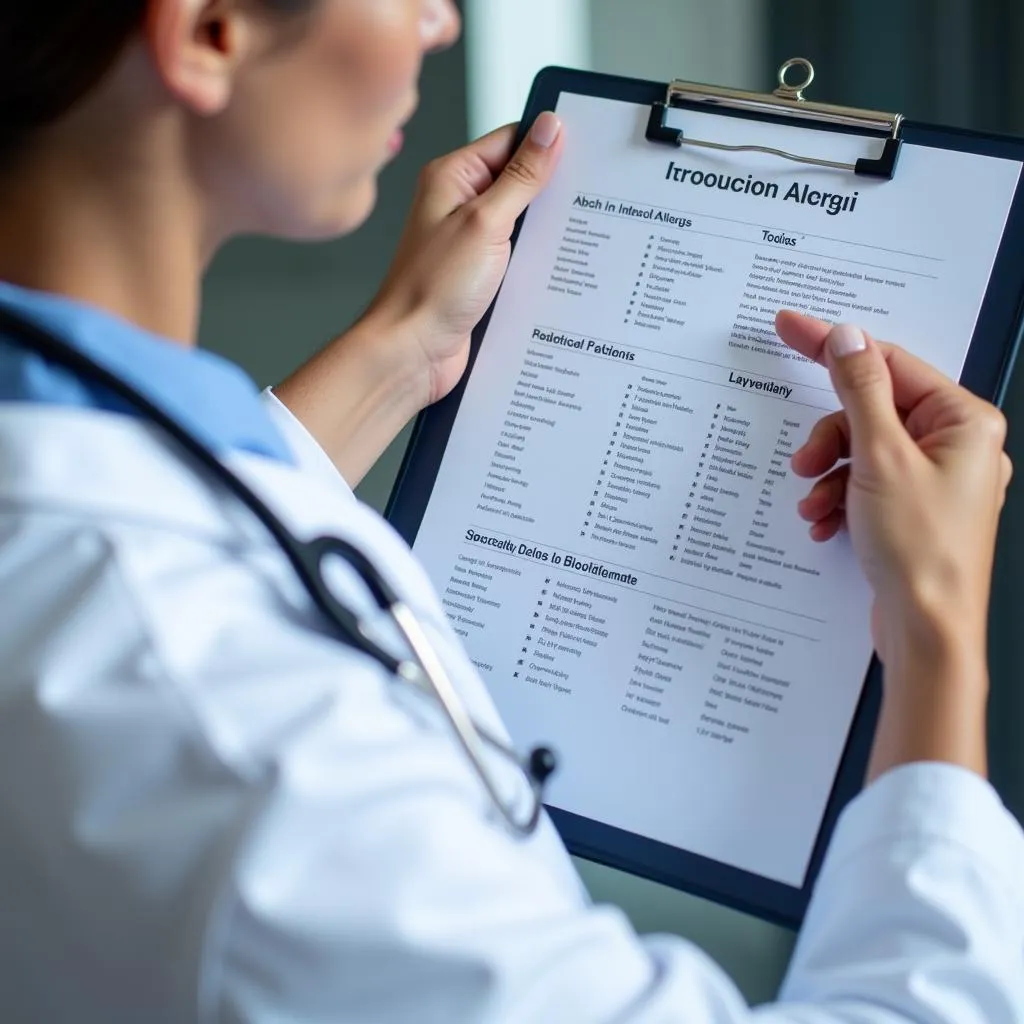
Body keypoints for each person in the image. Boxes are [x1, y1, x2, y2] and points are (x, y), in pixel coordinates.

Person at [0, 1, 1020, 1021]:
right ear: (210, 33)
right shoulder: (249, 746)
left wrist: (402, 350)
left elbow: (150, 518)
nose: (440, 22)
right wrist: (932, 625)